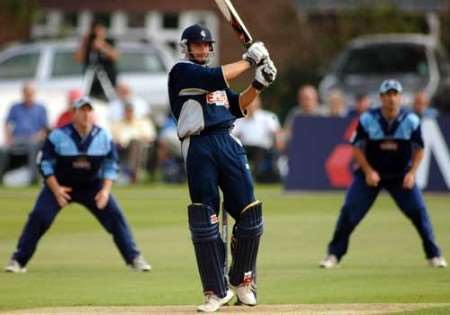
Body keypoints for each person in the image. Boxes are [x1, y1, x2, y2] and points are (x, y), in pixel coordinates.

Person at [168, 24, 276, 312]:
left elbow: (238, 107)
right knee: (205, 219)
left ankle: (242, 281)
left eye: (205, 45)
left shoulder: (216, 79)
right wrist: (251, 61)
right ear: (186, 47)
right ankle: (215, 292)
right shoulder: (182, 71)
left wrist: (258, 84)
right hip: (198, 145)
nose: (202, 49)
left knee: (250, 214)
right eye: (196, 45)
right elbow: (217, 76)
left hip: (227, 141)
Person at [4, 96, 151, 273]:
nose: (85, 114)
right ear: (74, 113)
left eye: (89, 111)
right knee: (39, 217)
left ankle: (134, 258)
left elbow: (111, 165)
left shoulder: (103, 136)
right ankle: (18, 260)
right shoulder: (58, 136)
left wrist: (105, 191)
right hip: (61, 186)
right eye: (82, 110)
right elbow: (44, 163)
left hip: (92, 186)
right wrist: (56, 190)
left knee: (115, 216)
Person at [319, 79, 447, 269]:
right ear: (381, 98)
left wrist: (412, 173)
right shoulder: (368, 119)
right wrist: (369, 171)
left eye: (395, 94)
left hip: (399, 176)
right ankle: (333, 255)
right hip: (370, 177)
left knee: (419, 212)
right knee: (349, 213)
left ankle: (434, 255)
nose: (391, 99)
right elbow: (356, 148)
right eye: (387, 95)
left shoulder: (411, 120)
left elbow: (419, 149)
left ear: (400, 97)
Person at [0, 82, 48, 183]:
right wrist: (8, 138)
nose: (28, 95)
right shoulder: (15, 107)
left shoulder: (41, 108)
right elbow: (7, 123)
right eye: (26, 93)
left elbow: (45, 129)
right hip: (17, 139)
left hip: (34, 139)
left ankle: (33, 178)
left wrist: (37, 137)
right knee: (3, 149)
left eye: (31, 93)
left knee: (32, 146)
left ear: (34, 94)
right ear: (23, 93)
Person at [232, 95, 282, 182]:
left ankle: (253, 176)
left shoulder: (269, 117)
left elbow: (277, 133)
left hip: (263, 148)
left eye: (253, 102)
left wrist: (278, 143)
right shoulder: (239, 118)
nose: (251, 105)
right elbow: (232, 134)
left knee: (258, 151)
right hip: (245, 148)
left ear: (259, 103)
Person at [110, 102, 156, 183]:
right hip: (121, 149)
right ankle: (133, 174)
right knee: (134, 144)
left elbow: (151, 137)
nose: (129, 113)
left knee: (135, 143)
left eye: (130, 111)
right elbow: (112, 138)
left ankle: (132, 172)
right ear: (124, 112)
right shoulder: (117, 124)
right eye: (127, 111)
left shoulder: (143, 123)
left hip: (142, 148)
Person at [75, 20, 119, 101]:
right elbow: (78, 59)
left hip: (107, 82)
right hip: (90, 82)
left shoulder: (109, 41)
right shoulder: (88, 43)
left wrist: (102, 46)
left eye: (100, 30)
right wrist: (84, 42)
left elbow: (115, 56)